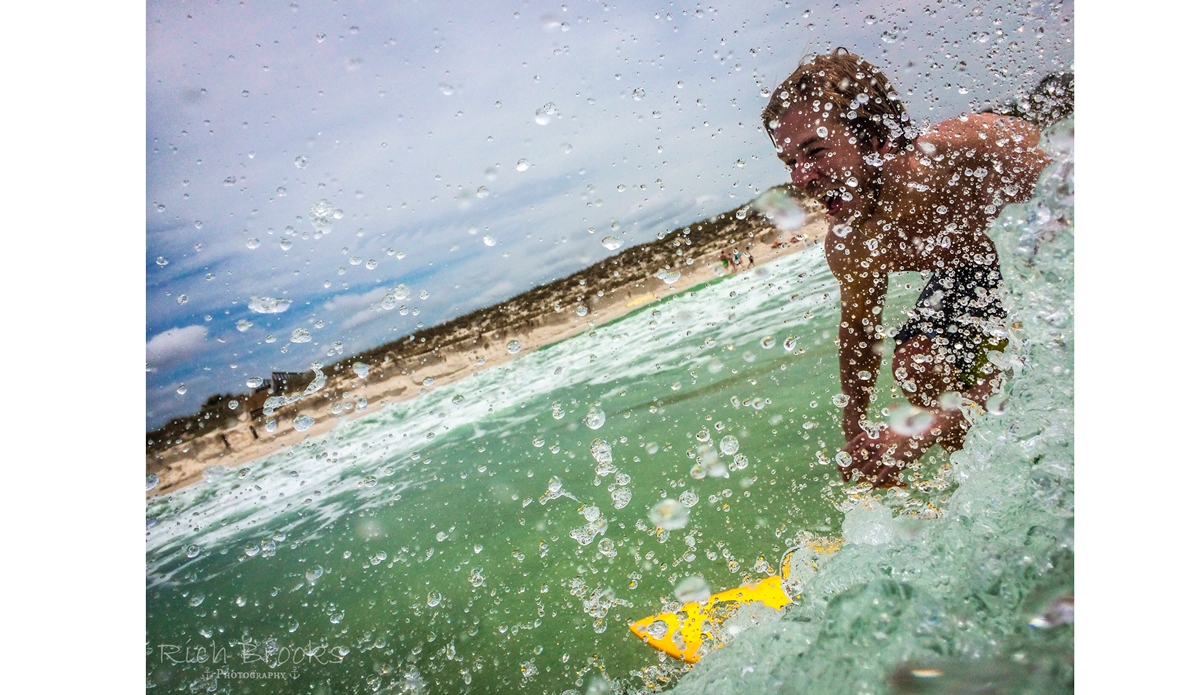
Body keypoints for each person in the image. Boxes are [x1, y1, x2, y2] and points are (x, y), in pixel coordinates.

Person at [762, 49, 1049, 487]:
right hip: (974, 270)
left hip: (1050, 251)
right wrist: (855, 435)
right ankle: (989, 480)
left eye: (815, 151)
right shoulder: (853, 242)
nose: (801, 178)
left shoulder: (976, 150)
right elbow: (858, 334)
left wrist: (931, 424)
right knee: (916, 363)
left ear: (876, 135)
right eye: (791, 163)